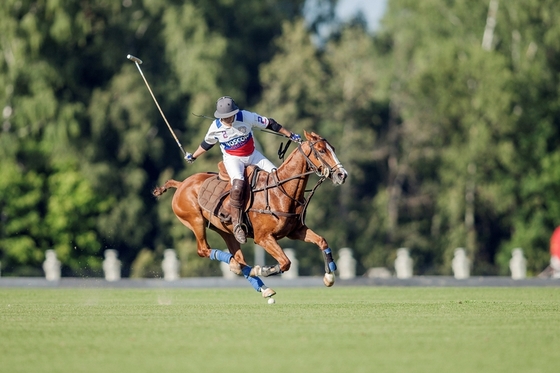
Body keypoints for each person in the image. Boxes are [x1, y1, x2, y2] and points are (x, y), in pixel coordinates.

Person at [184, 96, 301, 244]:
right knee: (238, 184)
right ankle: (238, 224)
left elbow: (270, 123)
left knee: (277, 177)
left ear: (234, 112)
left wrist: (290, 135)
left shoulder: (245, 116)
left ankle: (287, 214)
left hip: (253, 155)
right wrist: (193, 156)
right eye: (223, 117)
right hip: (233, 159)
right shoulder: (216, 127)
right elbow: (207, 143)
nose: (227, 120)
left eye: (229, 116)